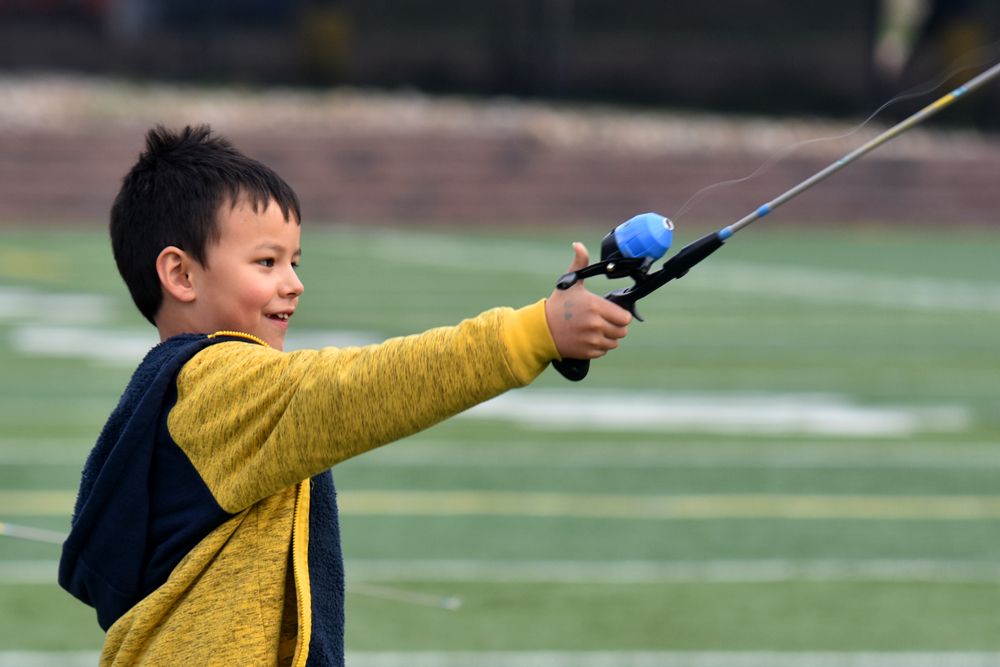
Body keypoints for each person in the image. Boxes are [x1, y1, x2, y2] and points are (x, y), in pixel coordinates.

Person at [58, 125, 631, 667]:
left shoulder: (177, 385)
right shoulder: (217, 384)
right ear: (181, 276)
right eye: (266, 262)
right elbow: (362, 388)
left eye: (294, 262)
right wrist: (535, 333)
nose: (294, 283)